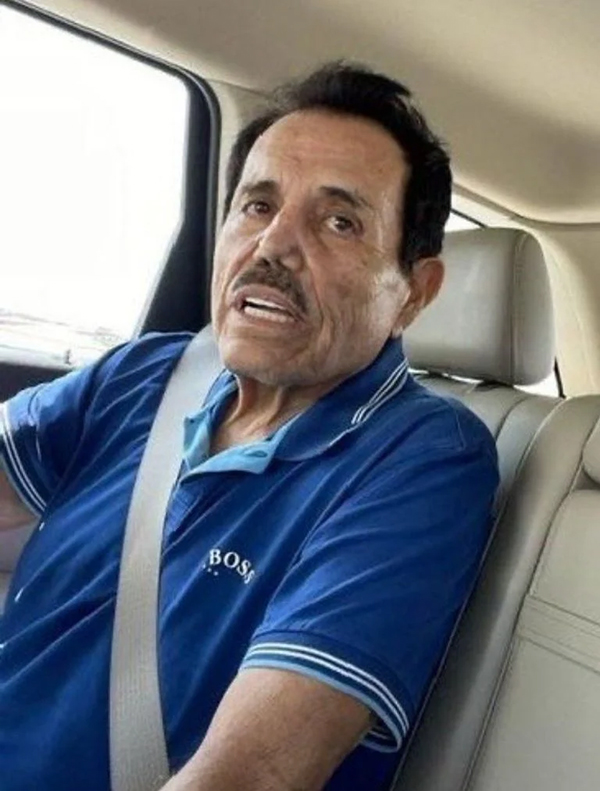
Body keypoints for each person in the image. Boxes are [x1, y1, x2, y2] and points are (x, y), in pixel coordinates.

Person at [0, 62, 498, 791]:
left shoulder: (424, 461)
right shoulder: (145, 375)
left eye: (338, 222)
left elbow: (252, 775)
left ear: (414, 293)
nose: (272, 245)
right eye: (257, 205)